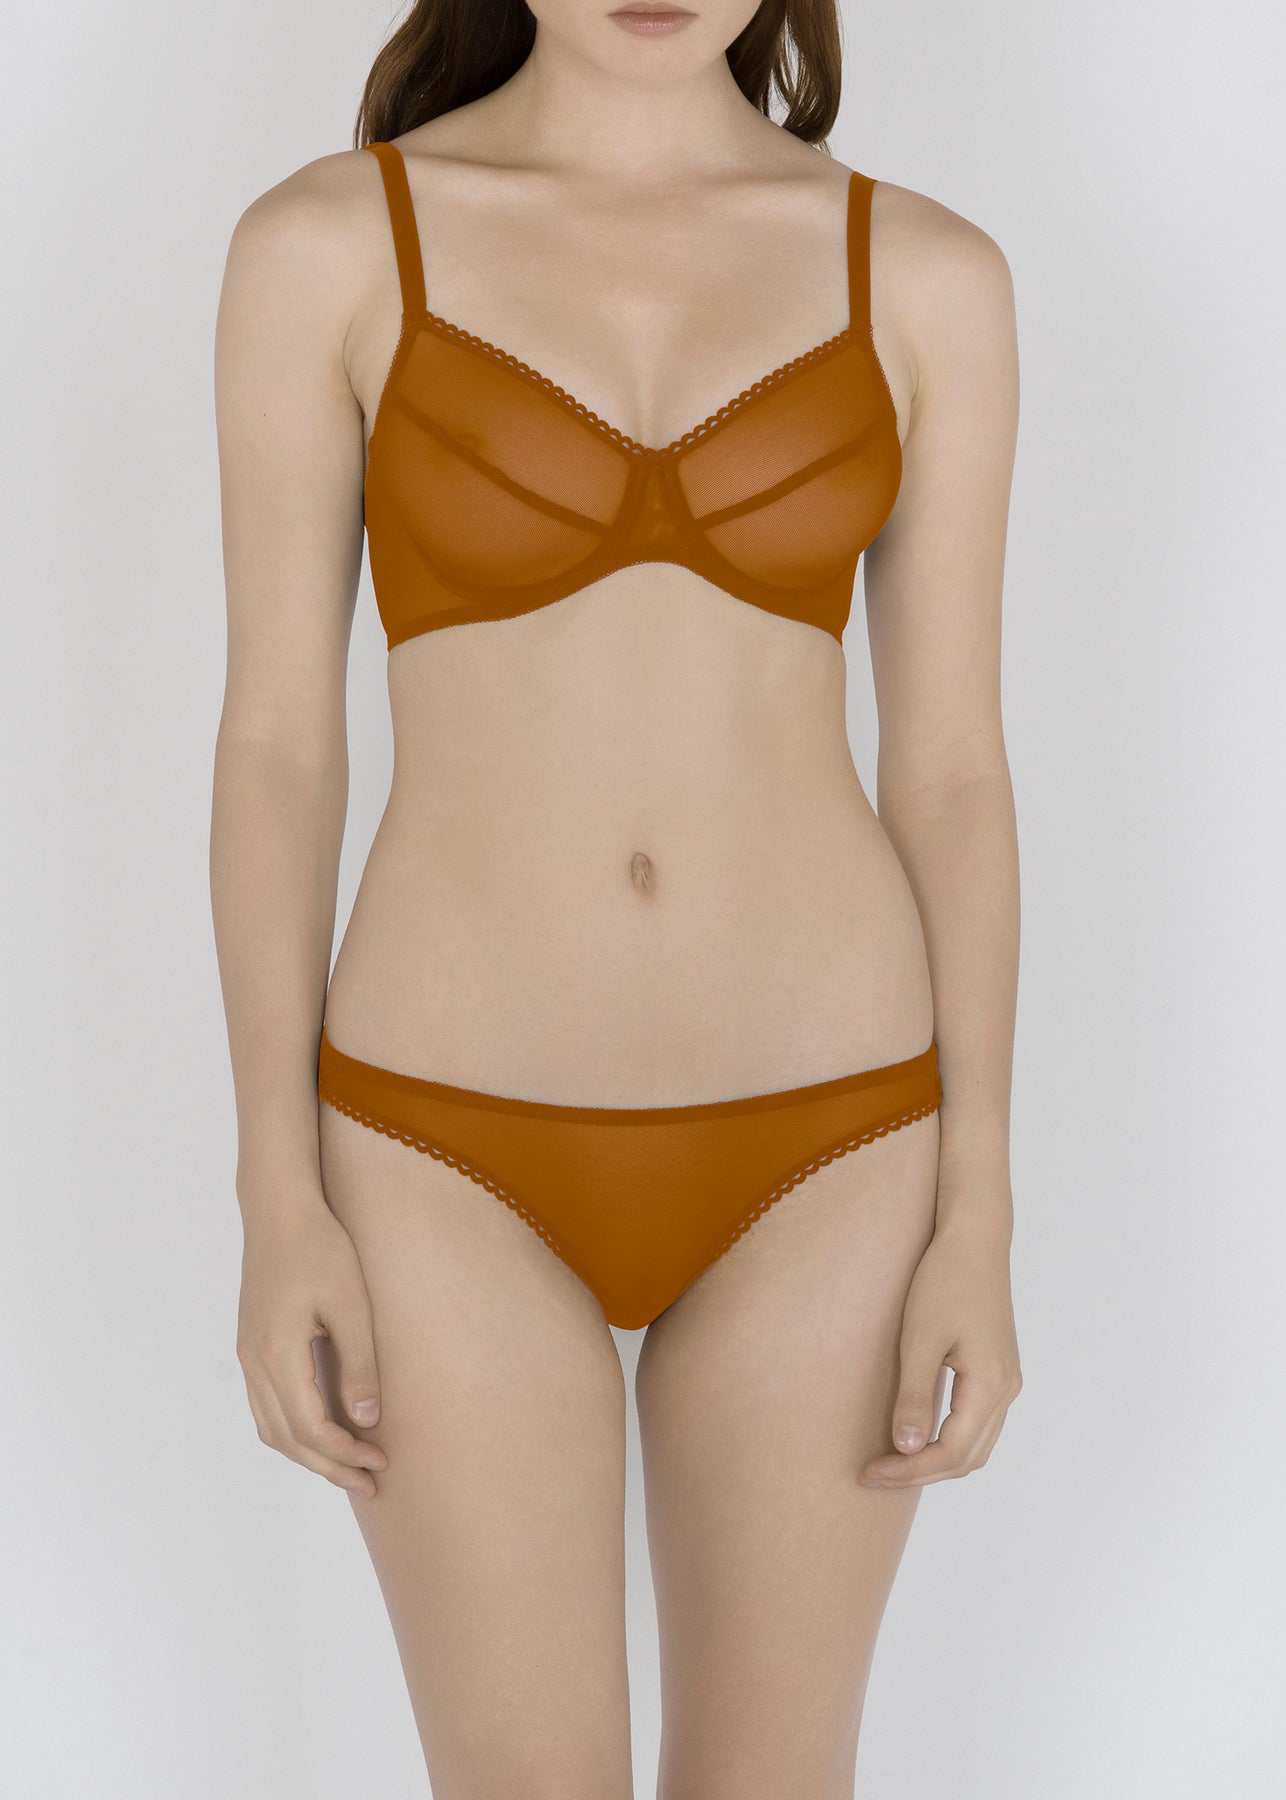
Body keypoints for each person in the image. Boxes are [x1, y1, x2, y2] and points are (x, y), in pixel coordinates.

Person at [210, 0, 1023, 1790]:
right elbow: (275, 748)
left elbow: (953, 770)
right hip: (439, 1151)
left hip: (832, 1146)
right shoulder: (329, 245)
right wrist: (276, 1193)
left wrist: (978, 1208)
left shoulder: (925, 275)